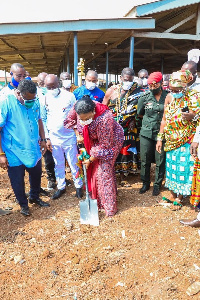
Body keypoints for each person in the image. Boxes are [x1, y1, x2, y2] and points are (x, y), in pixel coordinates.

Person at [64, 95, 124, 216]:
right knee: (92, 172)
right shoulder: (78, 107)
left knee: (104, 172)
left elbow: (105, 145)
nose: (84, 121)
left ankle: (109, 207)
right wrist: (78, 134)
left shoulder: (104, 118)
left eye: (87, 118)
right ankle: (97, 200)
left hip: (110, 143)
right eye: (82, 119)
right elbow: (70, 121)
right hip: (90, 141)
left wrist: (91, 159)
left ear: (93, 111)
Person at [0, 79, 50, 216]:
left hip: (33, 147)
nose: (30, 101)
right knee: (17, 180)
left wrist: (44, 139)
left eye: (33, 98)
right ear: (18, 93)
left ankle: (34, 196)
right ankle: (23, 204)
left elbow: (39, 120)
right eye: (27, 98)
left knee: (36, 174)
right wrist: (1, 154)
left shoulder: (34, 101)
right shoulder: (6, 103)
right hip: (13, 150)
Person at [156, 70, 200, 210]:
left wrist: (192, 116)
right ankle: (172, 193)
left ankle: (180, 197)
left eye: (177, 90)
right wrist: (159, 139)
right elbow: (164, 119)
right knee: (171, 168)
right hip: (170, 140)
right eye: (172, 89)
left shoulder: (194, 96)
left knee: (184, 168)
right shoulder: (169, 97)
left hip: (186, 139)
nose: (175, 92)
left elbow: (198, 117)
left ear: (185, 87)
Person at [41, 74, 83, 200]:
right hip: (54, 137)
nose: (52, 89)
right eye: (49, 87)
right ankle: (61, 187)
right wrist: (47, 138)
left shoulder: (69, 96)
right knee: (58, 163)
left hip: (69, 136)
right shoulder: (45, 98)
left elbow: (76, 115)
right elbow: (43, 119)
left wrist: (77, 133)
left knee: (74, 163)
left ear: (58, 84)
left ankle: (79, 186)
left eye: (53, 86)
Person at [103, 67, 143, 185]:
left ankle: (126, 173)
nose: (128, 83)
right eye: (125, 80)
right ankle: (115, 173)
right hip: (113, 127)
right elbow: (103, 107)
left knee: (127, 148)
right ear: (121, 78)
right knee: (116, 148)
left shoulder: (139, 92)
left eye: (130, 80)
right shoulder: (112, 91)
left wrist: (134, 120)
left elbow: (141, 110)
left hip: (130, 127)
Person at [137, 72, 168, 196]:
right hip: (146, 133)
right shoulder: (144, 97)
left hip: (162, 133)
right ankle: (145, 183)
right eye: (150, 86)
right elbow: (139, 114)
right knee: (145, 159)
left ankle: (157, 184)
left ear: (161, 84)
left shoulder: (168, 96)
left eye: (155, 86)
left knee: (160, 160)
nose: (152, 88)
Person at [37, 72, 57, 190]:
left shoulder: (58, 95)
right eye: (41, 83)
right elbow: (42, 119)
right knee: (48, 159)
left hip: (59, 132)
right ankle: (51, 179)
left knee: (59, 158)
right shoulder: (38, 97)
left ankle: (61, 177)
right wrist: (46, 137)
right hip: (46, 132)